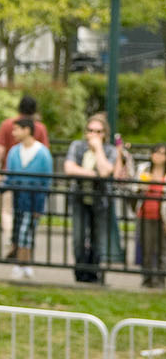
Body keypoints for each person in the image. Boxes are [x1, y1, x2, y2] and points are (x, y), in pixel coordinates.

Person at [64, 112, 127, 282]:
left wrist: (98, 149)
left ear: (105, 134)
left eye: (99, 132)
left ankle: (93, 273)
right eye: (91, 130)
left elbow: (106, 171)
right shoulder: (77, 146)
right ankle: (80, 272)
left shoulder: (110, 150)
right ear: (86, 132)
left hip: (100, 201)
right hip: (79, 198)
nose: (94, 135)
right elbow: (69, 168)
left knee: (97, 239)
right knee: (78, 237)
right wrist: (94, 174)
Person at [0, 95, 48, 256]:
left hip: (10, 175)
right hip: (32, 181)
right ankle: (22, 243)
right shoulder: (40, 128)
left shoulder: (7, 124)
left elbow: (0, 149)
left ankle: (14, 240)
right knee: (27, 214)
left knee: (8, 211)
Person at [2, 116, 53, 279]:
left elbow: (46, 182)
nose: (13, 132)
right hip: (19, 200)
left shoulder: (43, 153)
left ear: (27, 130)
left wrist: (40, 207)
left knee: (26, 233)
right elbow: (10, 178)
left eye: (16, 129)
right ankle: (23, 263)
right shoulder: (14, 152)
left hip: (34, 202)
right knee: (19, 233)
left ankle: (21, 264)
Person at [136, 143, 166, 289]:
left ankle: (161, 280)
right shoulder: (144, 169)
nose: (159, 156)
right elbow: (134, 188)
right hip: (146, 214)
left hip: (162, 216)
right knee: (147, 248)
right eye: (156, 152)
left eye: (163, 153)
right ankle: (147, 278)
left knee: (162, 249)